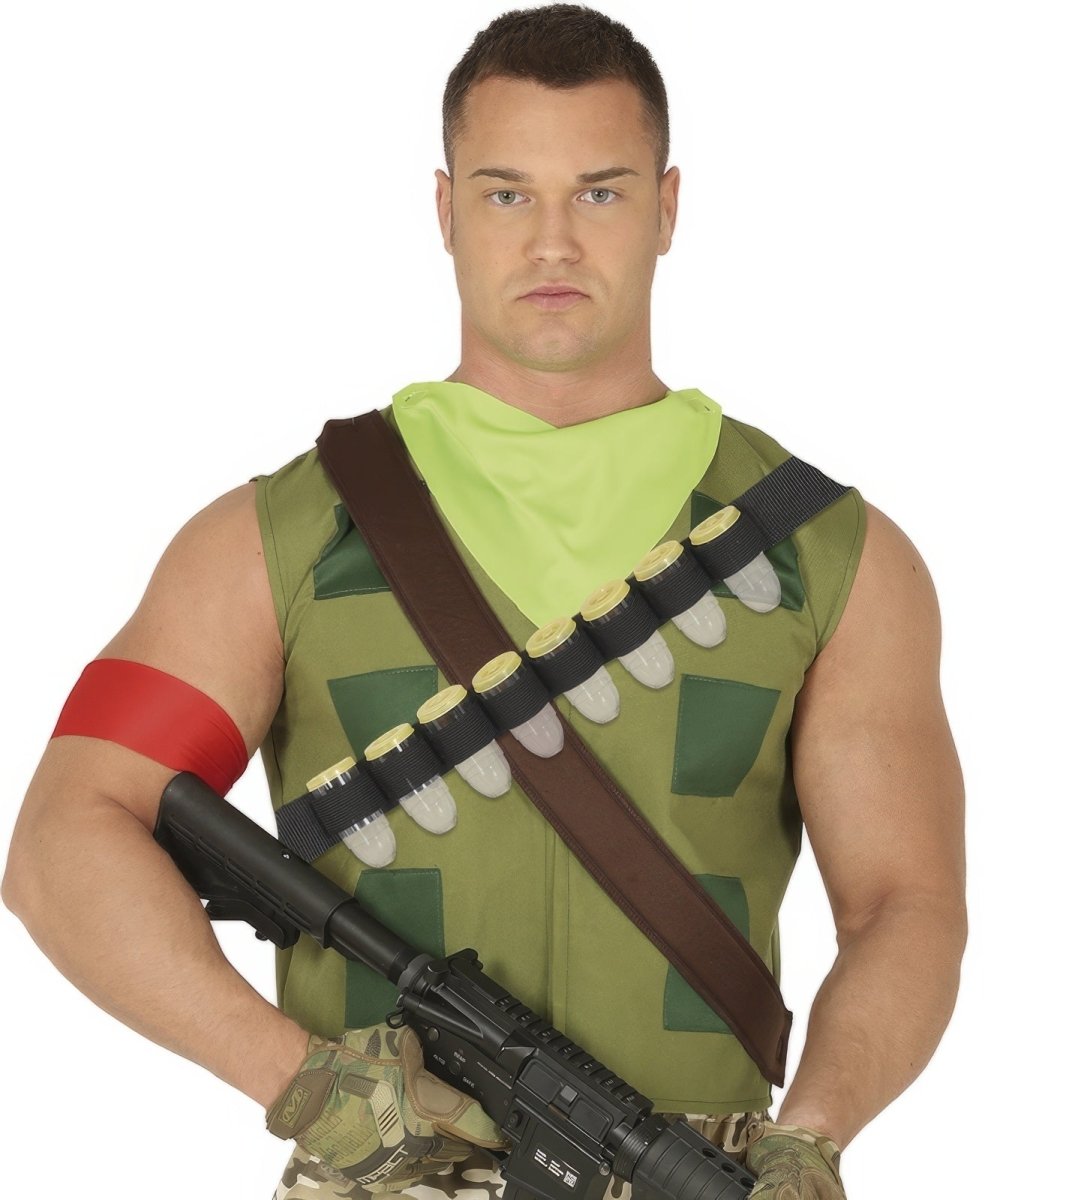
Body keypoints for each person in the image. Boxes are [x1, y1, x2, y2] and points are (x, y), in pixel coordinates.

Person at [2, 5, 966, 1198]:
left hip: (695, 1174)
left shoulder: (830, 551)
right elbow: (62, 837)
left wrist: (810, 1134)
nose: (553, 241)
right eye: (507, 193)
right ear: (445, 210)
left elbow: (903, 906)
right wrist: (296, 1079)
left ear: (667, 209)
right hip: (388, 1167)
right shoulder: (270, 538)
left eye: (599, 192)